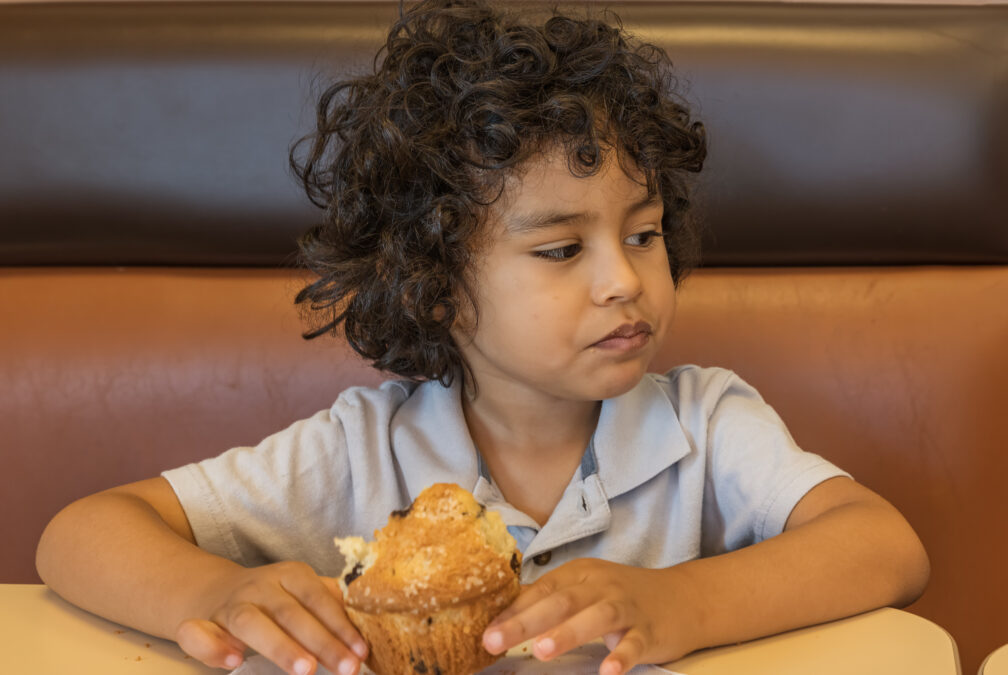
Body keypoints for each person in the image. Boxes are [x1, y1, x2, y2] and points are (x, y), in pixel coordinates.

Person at [35, 1, 930, 675]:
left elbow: (884, 545)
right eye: (560, 248)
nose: (624, 278)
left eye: (644, 233)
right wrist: (214, 592)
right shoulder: (363, 450)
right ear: (433, 289)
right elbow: (83, 531)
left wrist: (676, 600)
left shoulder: (704, 423)